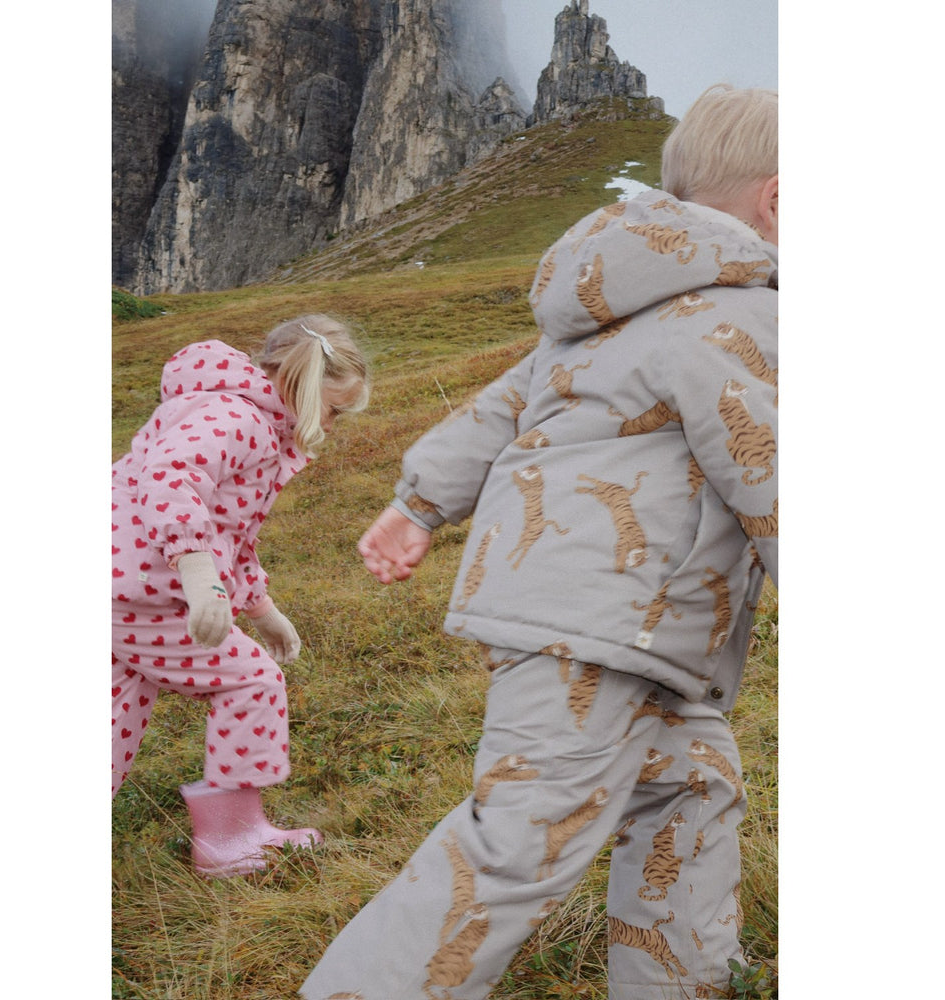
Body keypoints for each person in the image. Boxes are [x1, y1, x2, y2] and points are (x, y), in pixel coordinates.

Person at [301, 84, 777, 999]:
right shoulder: (745, 317)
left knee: (692, 783)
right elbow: (771, 471)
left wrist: (417, 503)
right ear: (780, 201)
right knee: (521, 839)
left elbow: (501, 407)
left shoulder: (610, 307)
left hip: (603, 622)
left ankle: (682, 982)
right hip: (606, 624)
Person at [112, 314, 369, 878]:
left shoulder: (232, 411)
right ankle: (231, 841)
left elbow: (231, 534)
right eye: (333, 410)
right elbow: (171, 478)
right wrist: (196, 570)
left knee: (115, 713)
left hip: (120, 586)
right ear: (301, 386)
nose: (333, 425)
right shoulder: (238, 418)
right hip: (149, 590)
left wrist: (262, 609)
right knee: (253, 681)